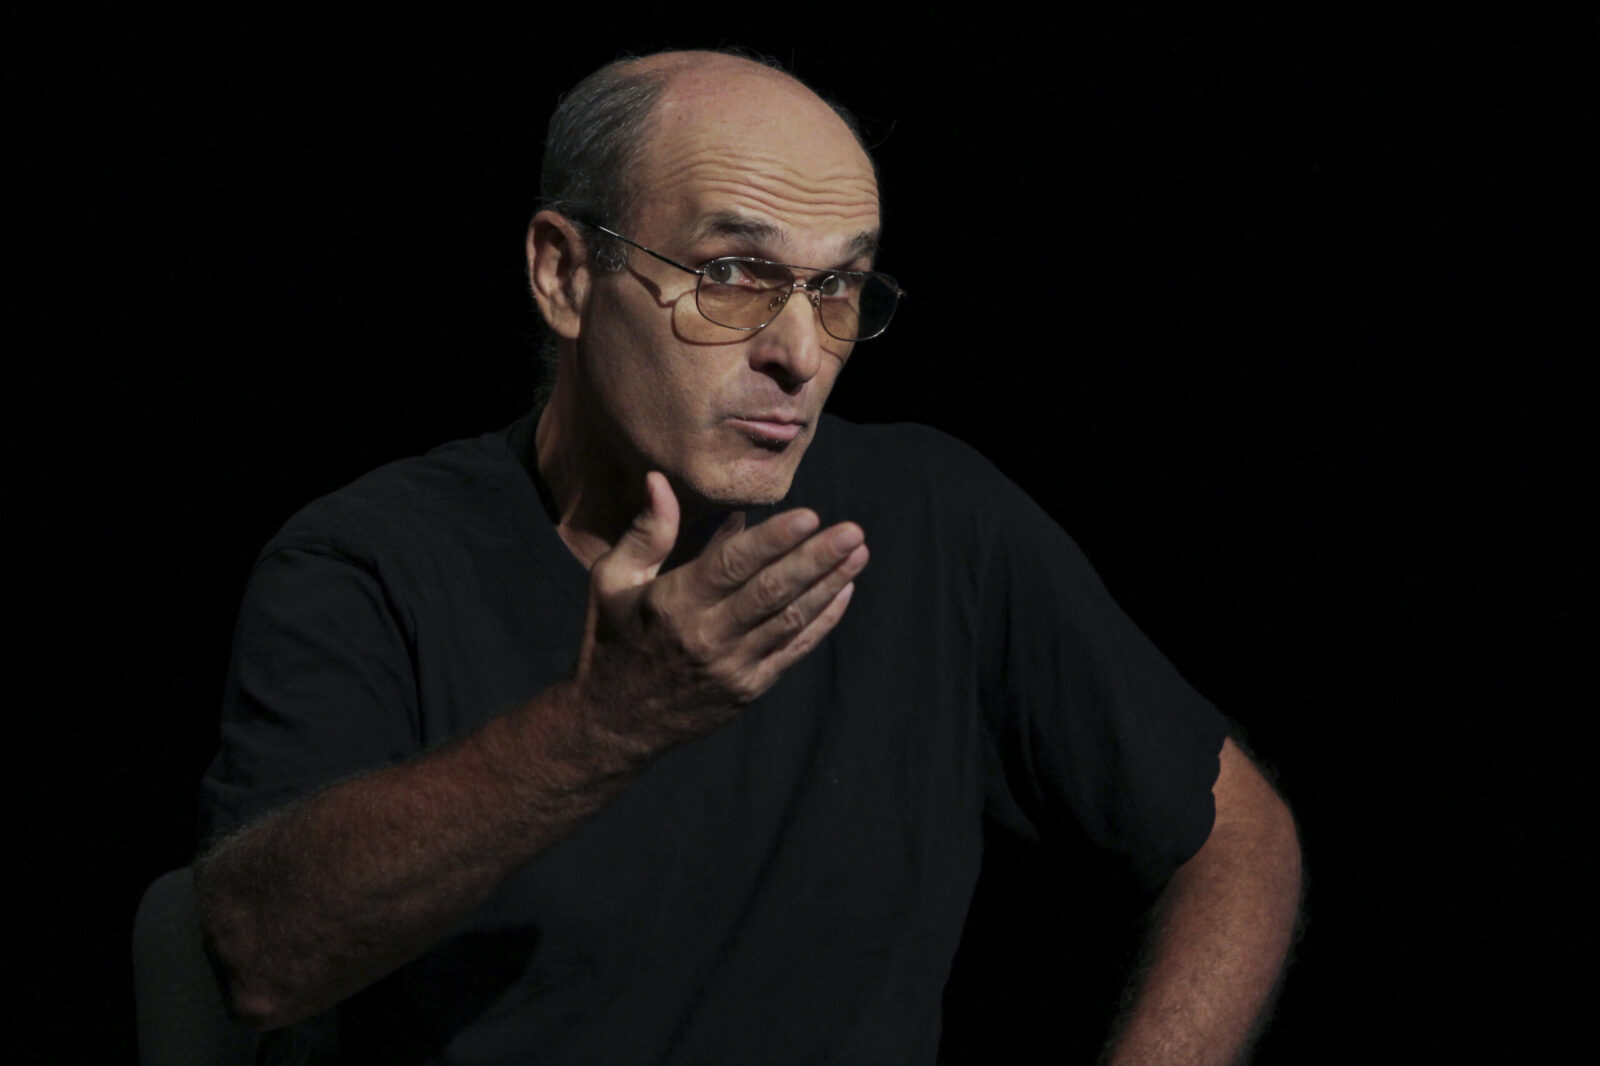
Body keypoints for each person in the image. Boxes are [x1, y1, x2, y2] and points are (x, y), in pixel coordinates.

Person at [196, 49, 1302, 1065]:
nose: (799, 353)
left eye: (838, 287)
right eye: (732, 273)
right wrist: (604, 725)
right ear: (564, 274)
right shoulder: (367, 563)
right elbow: (261, 956)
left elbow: (1238, 837)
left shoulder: (936, 518)